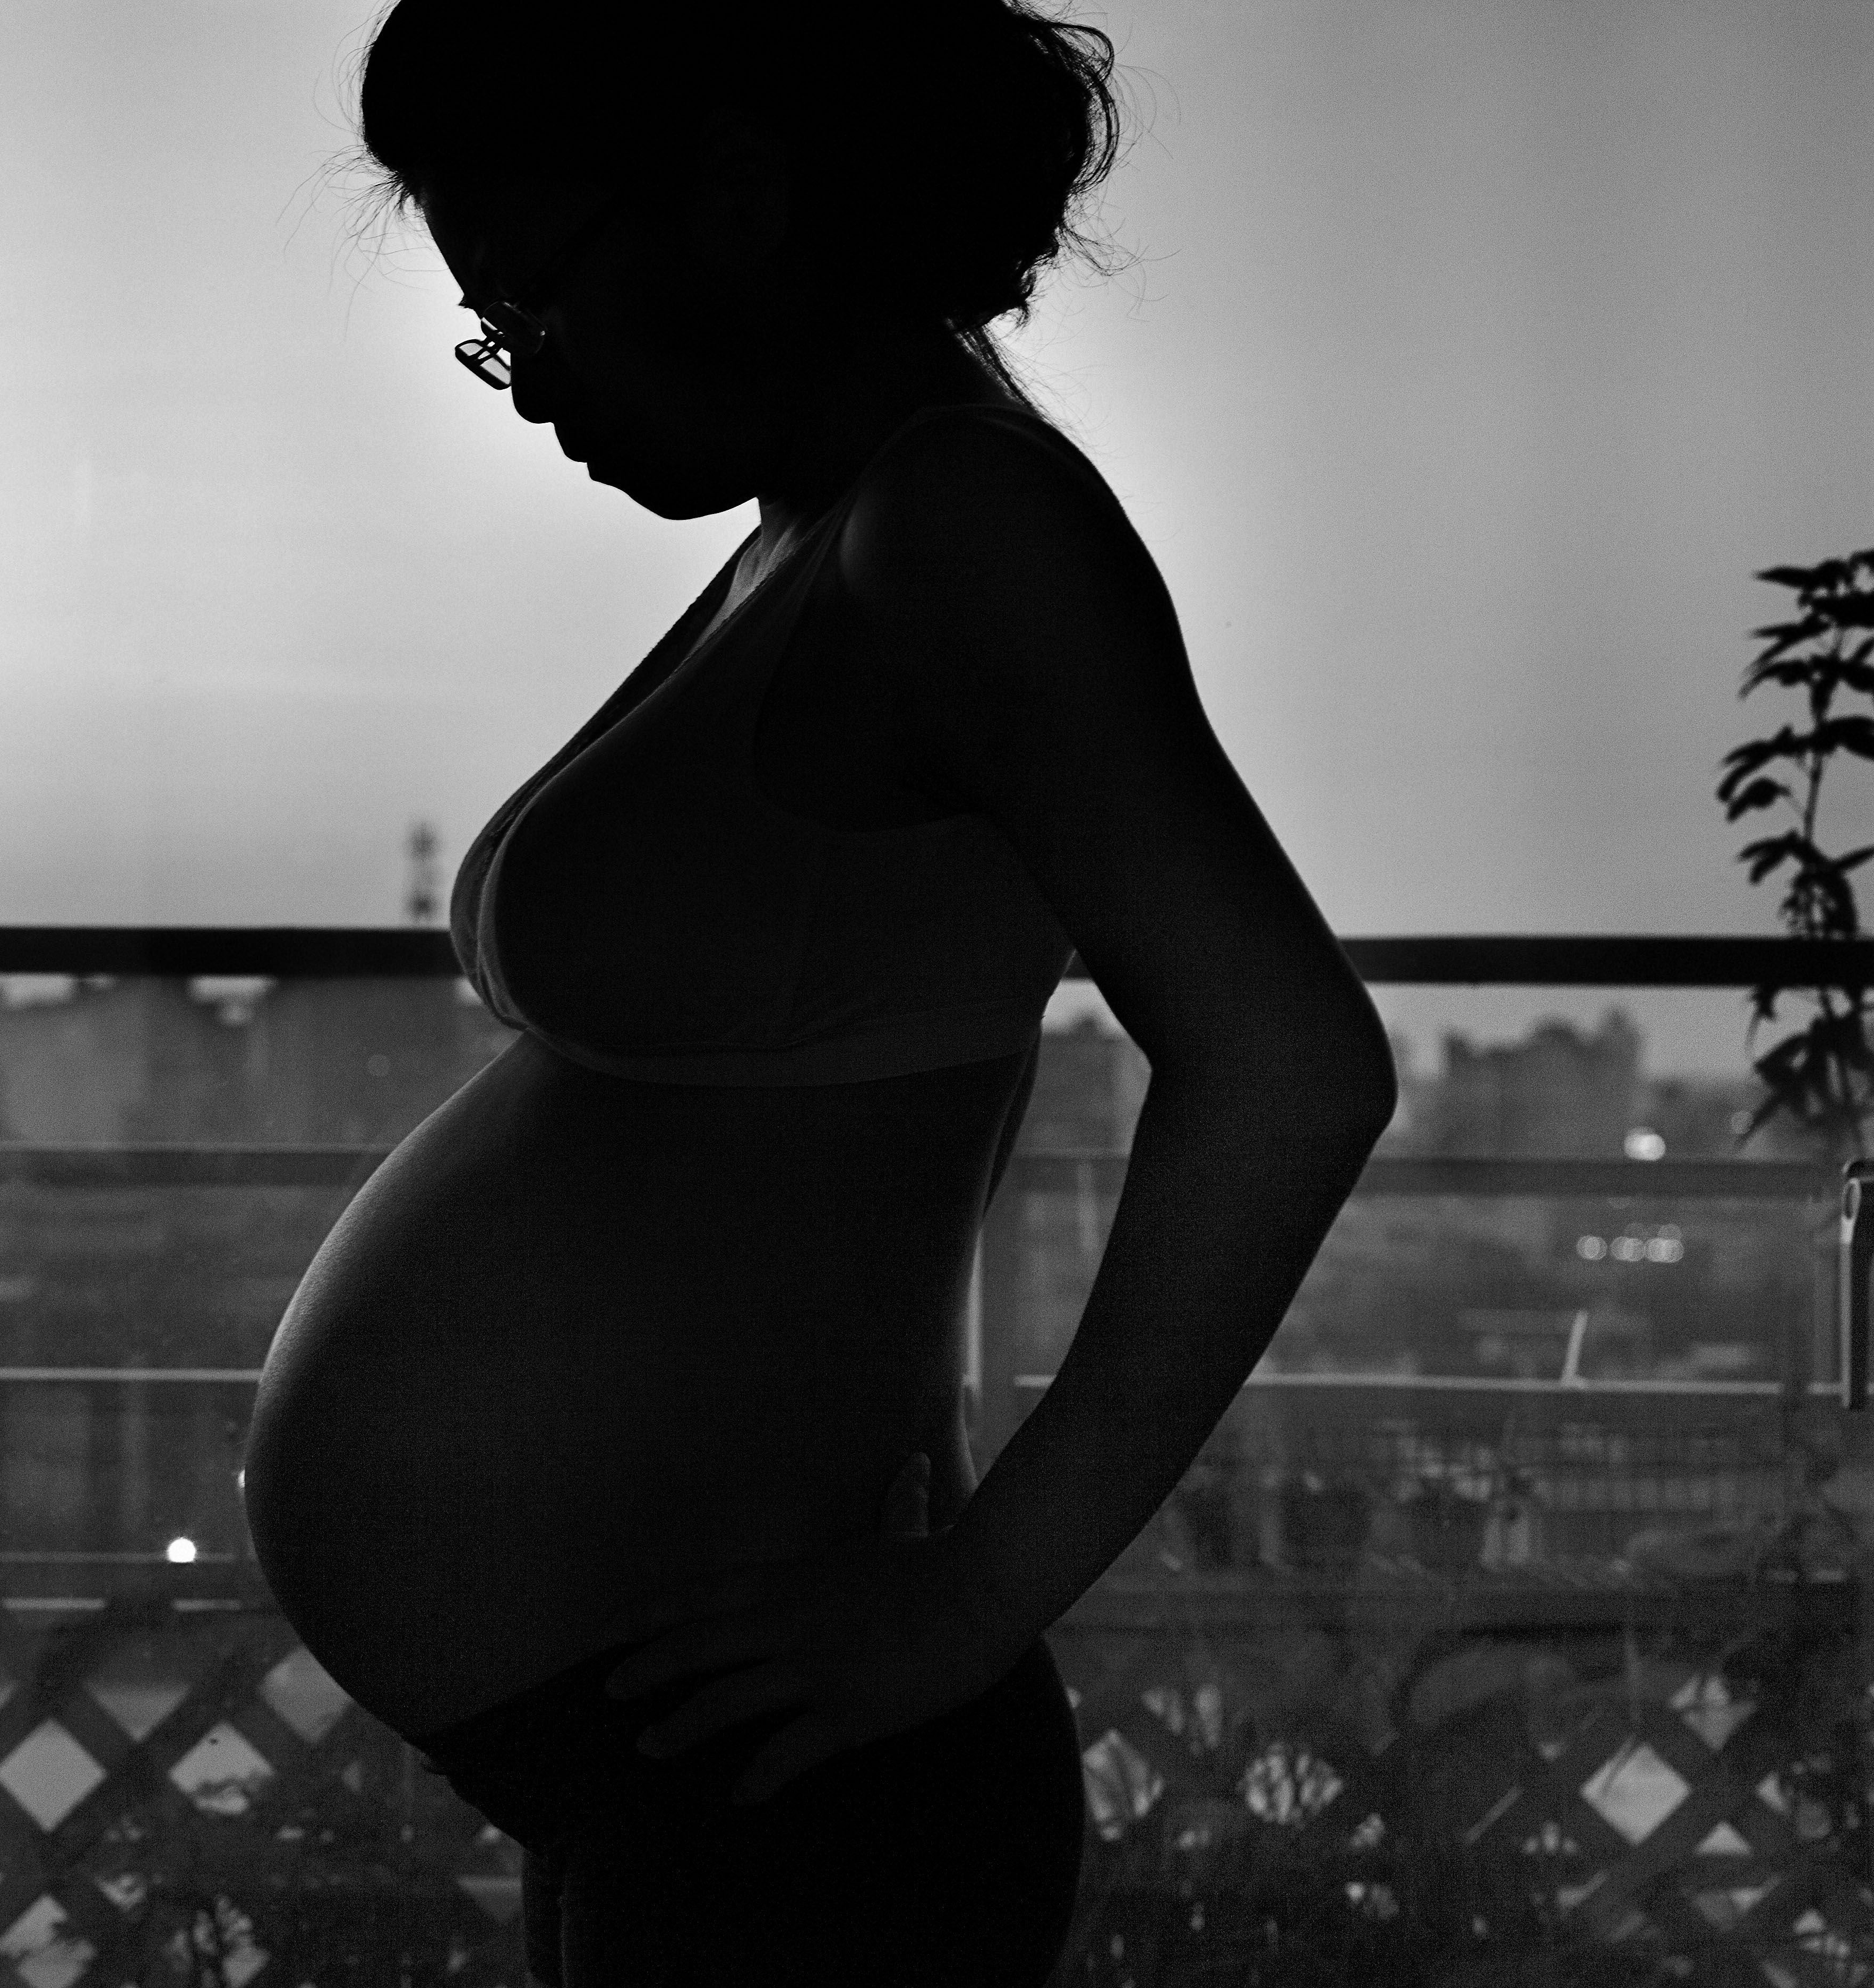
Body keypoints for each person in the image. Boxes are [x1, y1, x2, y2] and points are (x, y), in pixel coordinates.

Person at [240, 2, 1399, 1980]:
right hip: (712, 1756)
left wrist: (972, 1601)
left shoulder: (964, 525)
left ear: (738, 196)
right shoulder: (827, 524)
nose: (528, 394)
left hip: (814, 1784)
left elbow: (1288, 1066)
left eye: (532, 302)